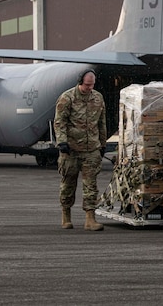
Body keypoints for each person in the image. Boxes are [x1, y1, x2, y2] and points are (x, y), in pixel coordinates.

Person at [54, 69, 107, 231]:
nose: (89, 88)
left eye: (92, 85)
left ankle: (90, 219)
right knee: (68, 184)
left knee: (91, 185)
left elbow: (101, 122)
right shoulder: (67, 98)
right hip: (71, 149)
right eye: (86, 85)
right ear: (79, 82)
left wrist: (103, 144)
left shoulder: (98, 98)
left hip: (91, 149)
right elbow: (59, 122)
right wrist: (62, 142)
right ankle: (66, 215)